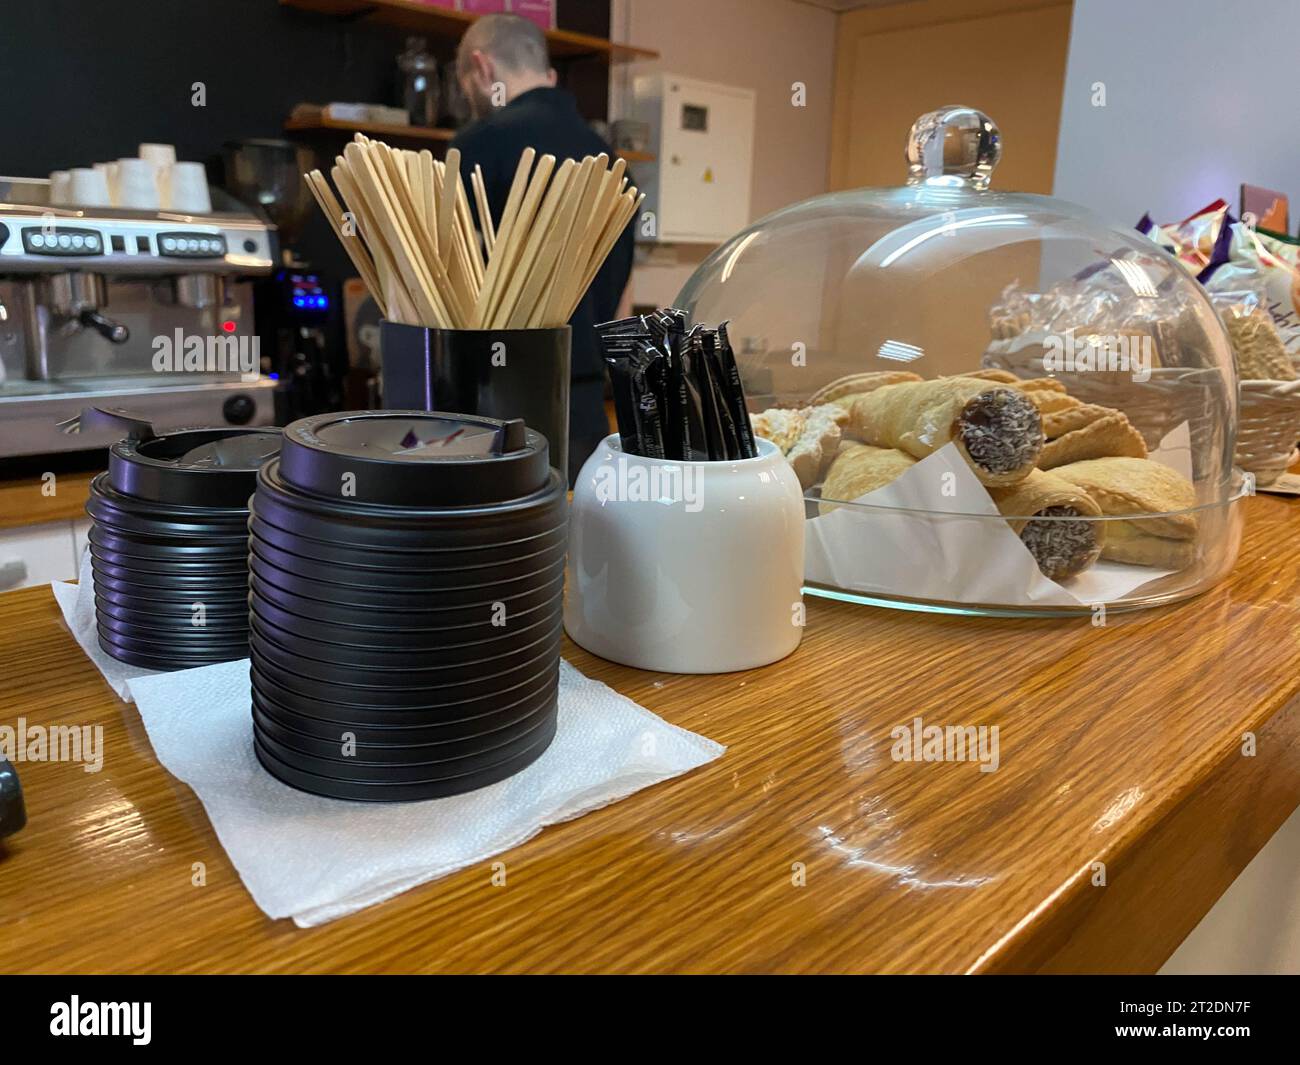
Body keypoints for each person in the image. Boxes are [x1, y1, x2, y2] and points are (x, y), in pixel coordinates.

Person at [451, 14, 635, 484]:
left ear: (481, 67)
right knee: (576, 551)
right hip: (585, 411)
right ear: (547, 74)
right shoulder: (612, 163)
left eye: (463, 82)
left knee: (494, 554)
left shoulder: (474, 149)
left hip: (489, 416)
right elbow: (621, 297)